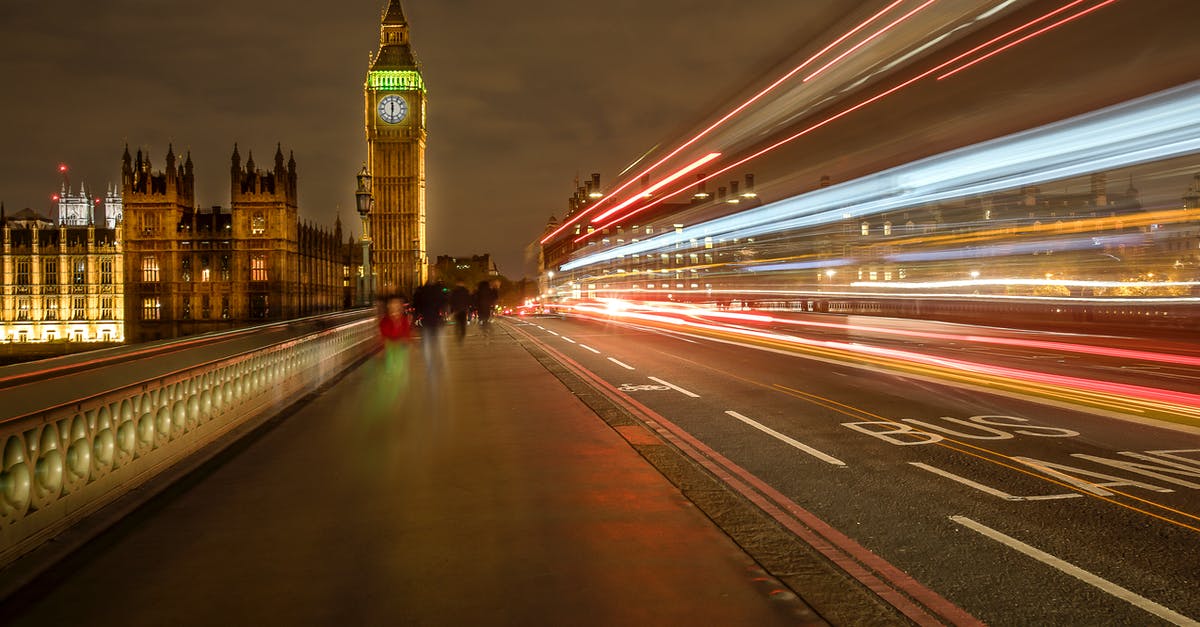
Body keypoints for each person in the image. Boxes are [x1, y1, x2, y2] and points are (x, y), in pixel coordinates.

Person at [411, 278, 449, 370]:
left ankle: (429, 362)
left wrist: (414, 321)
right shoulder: (438, 291)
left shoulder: (421, 292)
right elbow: (444, 303)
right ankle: (441, 361)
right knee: (438, 342)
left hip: (426, 321)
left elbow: (416, 306)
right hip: (436, 321)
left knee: (427, 342)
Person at [378, 295, 412, 376]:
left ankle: (398, 371)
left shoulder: (403, 319)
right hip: (389, 340)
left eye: (397, 308)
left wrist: (407, 339)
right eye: (392, 307)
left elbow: (406, 329)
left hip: (400, 340)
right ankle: (389, 370)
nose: (395, 311)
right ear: (389, 308)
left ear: (400, 309)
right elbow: (382, 328)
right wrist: (383, 339)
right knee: (389, 355)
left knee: (399, 356)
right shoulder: (386, 319)